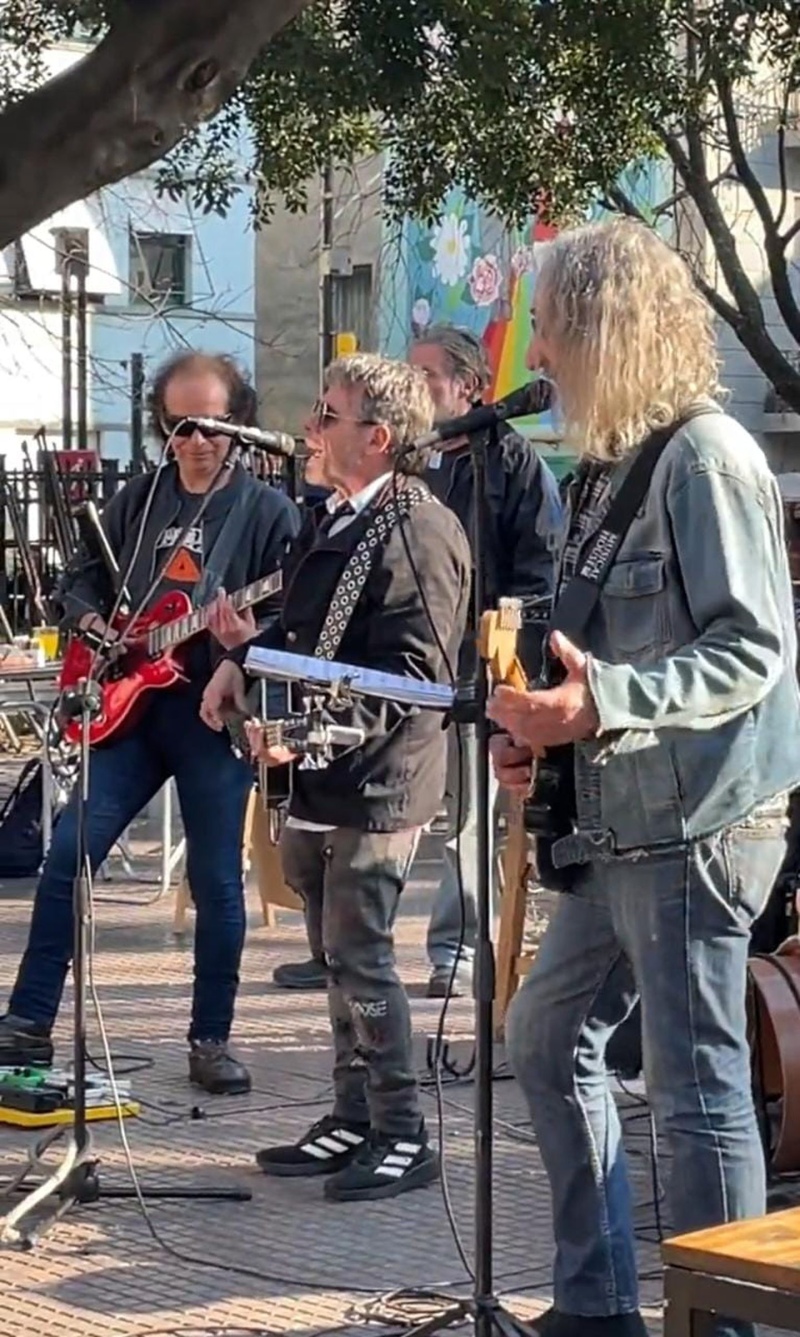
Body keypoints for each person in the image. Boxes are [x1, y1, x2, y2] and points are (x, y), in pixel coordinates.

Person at [487, 219, 800, 1337]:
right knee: (540, 1035)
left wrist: (600, 703)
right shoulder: (610, 465)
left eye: (558, 331)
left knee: (697, 1091)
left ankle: (715, 1323)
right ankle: (596, 1306)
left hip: (698, 823)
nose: (543, 359)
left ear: (606, 330)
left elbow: (750, 648)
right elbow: (590, 654)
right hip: (621, 819)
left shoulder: (707, 456)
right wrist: (542, 727)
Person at [201, 352, 470, 1200]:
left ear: (378, 437)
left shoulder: (418, 529)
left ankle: (402, 1127)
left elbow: (412, 681)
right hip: (322, 772)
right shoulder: (341, 518)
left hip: (379, 778)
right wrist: (241, 659)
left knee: (361, 951)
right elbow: (314, 633)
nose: (309, 430)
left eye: (326, 416)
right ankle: (354, 1114)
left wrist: (303, 735)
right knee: (331, 952)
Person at [0, 352, 299, 1095]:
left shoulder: (268, 514)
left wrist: (244, 650)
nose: (196, 441)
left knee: (215, 879)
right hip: (128, 708)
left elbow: (298, 617)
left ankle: (211, 1038)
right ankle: (26, 1022)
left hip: (212, 714)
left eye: (211, 425)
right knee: (68, 853)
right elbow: (77, 583)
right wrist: (93, 621)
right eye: (180, 426)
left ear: (241, 424)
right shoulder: (139, 500)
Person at [272, 325, 561, 998]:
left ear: (470, 388)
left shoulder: (514, 466)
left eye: (430, 376)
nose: (421, 388)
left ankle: (454, 948)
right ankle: (342, 946)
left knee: (464, 820)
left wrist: (506, 665)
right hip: (408, 672)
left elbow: (538, 577)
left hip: (475, 669)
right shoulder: (414, 467)